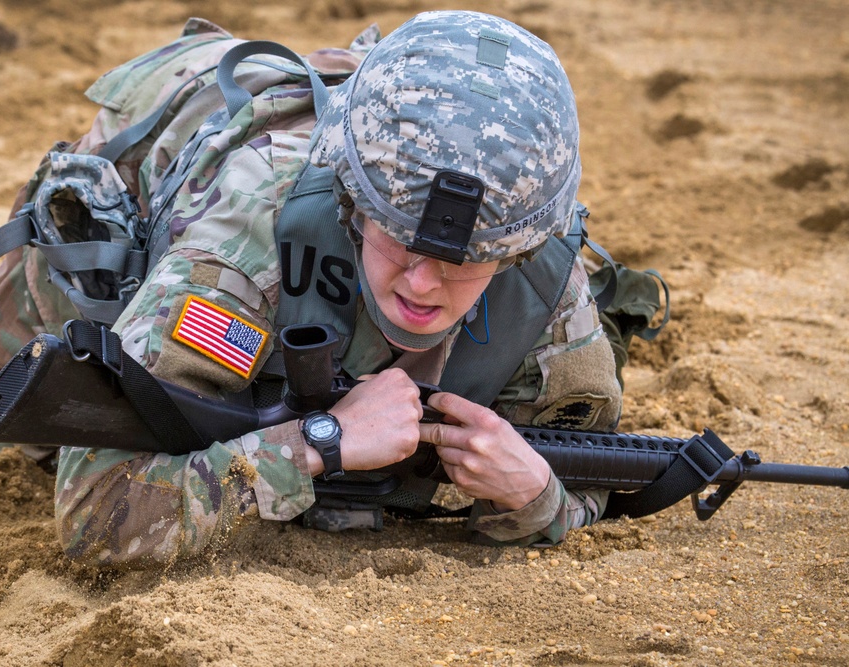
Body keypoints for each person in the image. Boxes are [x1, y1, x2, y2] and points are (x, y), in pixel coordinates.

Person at [53, 10, 622, 566]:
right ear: (352, 202)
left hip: (393, 119)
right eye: (399, 239)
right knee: (15, 381)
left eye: (466, 260)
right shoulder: (248, 243)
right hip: (149, 159)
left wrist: (533, 496)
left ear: (514, 250)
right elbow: (92, 512)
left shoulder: (542, 282)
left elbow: (592, 474)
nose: (423, 283)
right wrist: (319, 444)